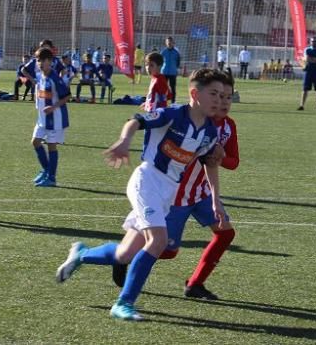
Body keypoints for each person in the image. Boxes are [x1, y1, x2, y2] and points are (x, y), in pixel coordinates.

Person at [55, 68, 227, 322]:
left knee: (125, 254)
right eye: (213, 93)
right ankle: (123, 303)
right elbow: (136, 120)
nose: (219, 100)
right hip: (147, 180)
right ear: (195, 93)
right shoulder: (173, 114)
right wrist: (124, 141)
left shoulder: (210, 132)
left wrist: (215, 199)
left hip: (167, 192)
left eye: (222, 95)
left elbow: (208, 163)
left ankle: (81, 254)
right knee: (158, 241)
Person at [112, 73, 239, 299]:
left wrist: (217, 158)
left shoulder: (227, 127)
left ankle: (195, 284)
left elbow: (233, 161)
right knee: (166, 249)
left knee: (225, 233)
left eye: (228, 97)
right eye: (219, 96)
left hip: (201, 193)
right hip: (176, 194)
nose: (224, 102)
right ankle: (124, 258)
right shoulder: (187, 117)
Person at [31, 47, 71, 187]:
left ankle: (52, 178)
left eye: (44, 60)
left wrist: (53, 107)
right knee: (35, 142)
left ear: (50, 62)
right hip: (42, 119)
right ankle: (47, 170)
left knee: (51, 146)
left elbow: (67, 96)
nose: (40, 63)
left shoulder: (55, 78)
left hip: (55, 119)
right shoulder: (39, 76)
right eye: (38, 60)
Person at [297, 37, 316, 111]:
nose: (313, 42)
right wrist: (315, 59)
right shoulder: (307, 49)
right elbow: (307, 59)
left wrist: (312, 59)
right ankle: (302, 105)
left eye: (315, 41)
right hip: (308, 71)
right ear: (310, 42)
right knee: (305, 89)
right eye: (312, 41)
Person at [161, 36, 182, 103]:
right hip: (164, 72)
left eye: (170, 42)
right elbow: (160, 61)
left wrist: (176, 69)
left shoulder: (176, 53)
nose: (169, 43)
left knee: (173, 88)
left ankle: (173, 102)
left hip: (173, 73)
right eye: (168, 42)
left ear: (173, 43)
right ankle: (162, 101)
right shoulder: (163, 52)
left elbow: (178, 62)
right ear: (166, 43)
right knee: (163, 88)